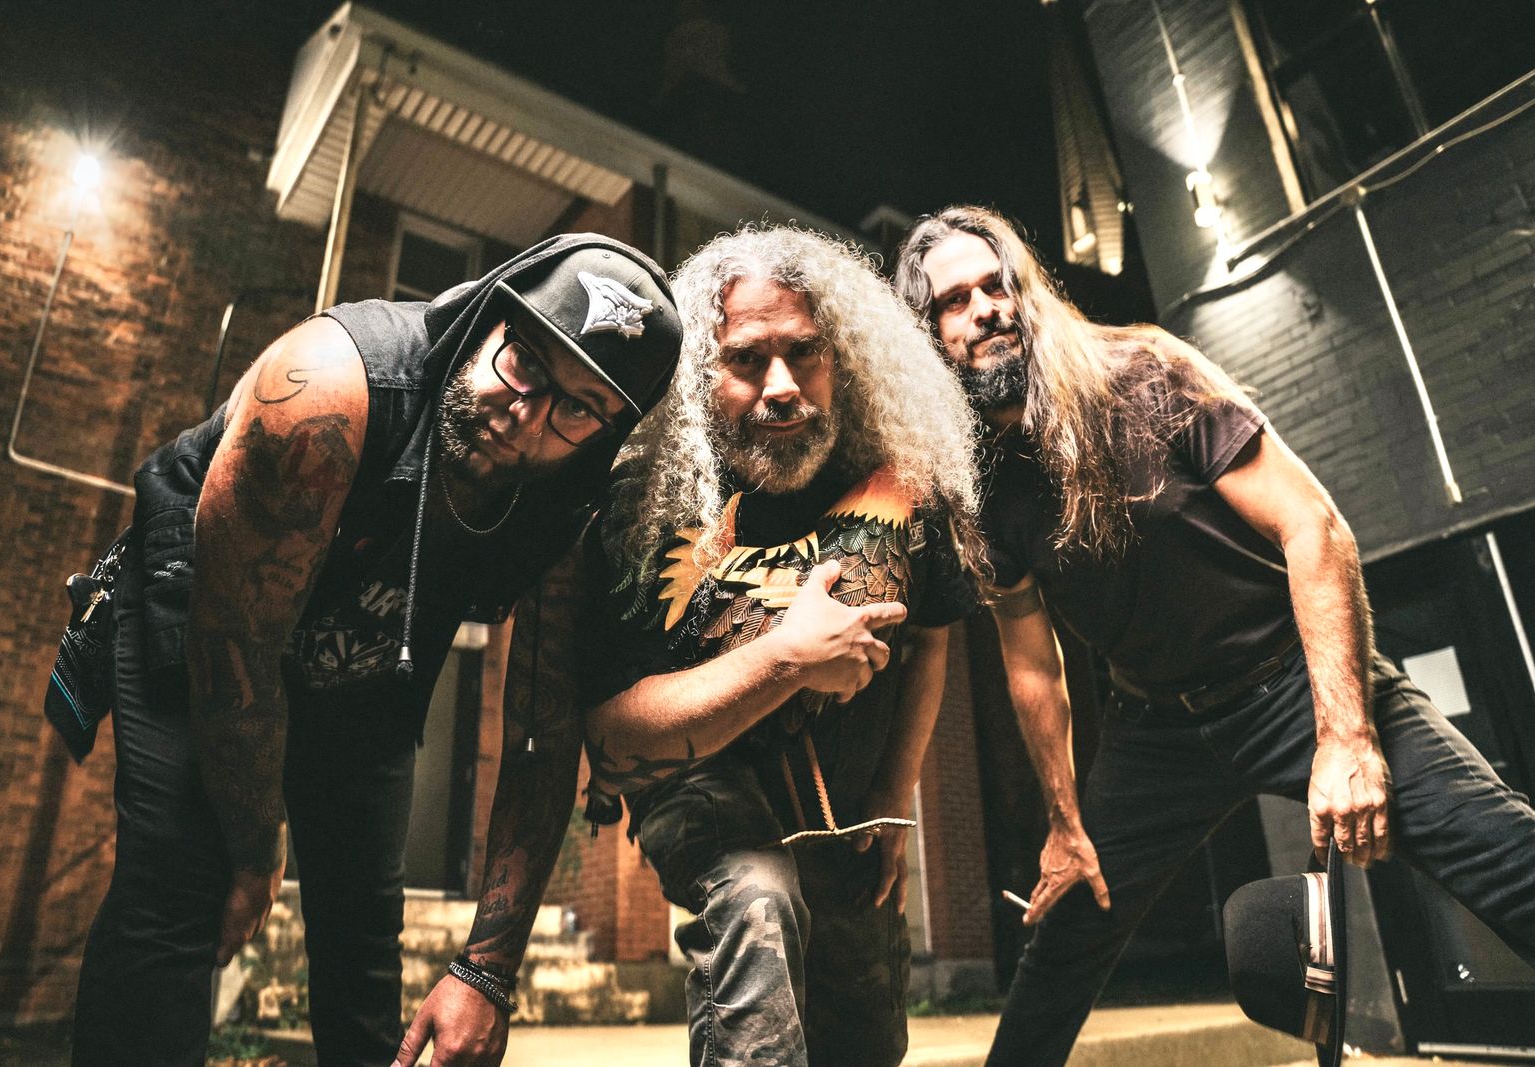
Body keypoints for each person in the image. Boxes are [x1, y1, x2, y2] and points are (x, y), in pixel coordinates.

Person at [892, 204, 1535, 1067]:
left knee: (1505, 856)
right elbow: (1033, 662)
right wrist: (1065, 819)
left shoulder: (1144, 373)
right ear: (930, 335)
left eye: (996, 284)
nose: (985, 309)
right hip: (1158, 727)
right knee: (1069, 933)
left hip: (1292, 678)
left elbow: (1315, 528)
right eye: (954, 301)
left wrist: (1346, 735)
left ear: (1026, 291)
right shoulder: (982, 486)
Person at [69, 234, 683, 1067]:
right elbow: (239, 650)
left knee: (362, 960)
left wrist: (487, 970)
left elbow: (541, 732)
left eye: (578, 408)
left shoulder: (568, 508)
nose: (527, 416)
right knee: (179, 894)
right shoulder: (328, 388)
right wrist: (255, 846)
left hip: (364, 672)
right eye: (526, 364)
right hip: (211, 624)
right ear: (488, 317)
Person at [581, 226, 985, 1067]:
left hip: (846, 807)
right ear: (702, 370)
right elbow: (612, 731)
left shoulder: (901, 477)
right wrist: (785, 657)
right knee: (757, 902)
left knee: (865, 1039)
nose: (782, 386)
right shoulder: (645, 503)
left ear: (842, 357)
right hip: (704, 792)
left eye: (804, 352)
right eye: (746, 359)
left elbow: (930, 640)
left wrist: (894, 792)